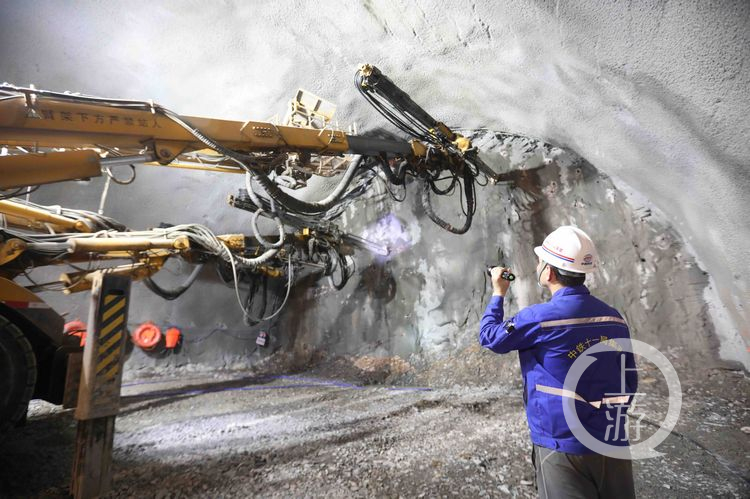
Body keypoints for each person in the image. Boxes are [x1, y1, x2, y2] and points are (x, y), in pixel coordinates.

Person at [479, 226, 637, 499]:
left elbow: (490, 337)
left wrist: (498, 293)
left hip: (561, 446)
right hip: (612, 442)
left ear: (549, 272)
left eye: (540, 261)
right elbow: (629, 380)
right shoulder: (614, 318)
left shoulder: (539, 318)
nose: (538, 266)